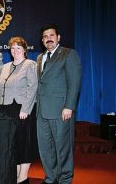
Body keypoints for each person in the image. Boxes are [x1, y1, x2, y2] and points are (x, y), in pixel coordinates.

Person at [36, 24, 82, 184]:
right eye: (45, 37)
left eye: (51, 35)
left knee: (63, 148)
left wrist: (69, 106)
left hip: (61, 110)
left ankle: (65, 179)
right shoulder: (40, 57)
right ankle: (50, 178)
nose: (48, 38)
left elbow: (74, 82)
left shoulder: (69, 54)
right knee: (45, 149)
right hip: (41, 111)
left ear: (58, 37)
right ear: (42, 40)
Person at [0, 37, 38, 184]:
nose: (15, 51)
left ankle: (23, 177)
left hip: (21, 109)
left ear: (25, 50)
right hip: (5, 109)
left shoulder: (30, 64)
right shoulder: (5, 66)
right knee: (12, 143)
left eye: (18, 48)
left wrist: (26, 109)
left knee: (23, 142)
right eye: (13, 48)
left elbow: (32, 88)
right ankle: (17, 174)